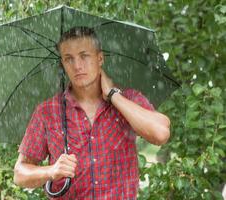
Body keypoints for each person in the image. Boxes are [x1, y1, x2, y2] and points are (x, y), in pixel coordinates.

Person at [14, 26, 171, 199]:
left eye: (84, 56)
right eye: (68, 59)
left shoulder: (128, 99)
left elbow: (161, 133)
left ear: (100, 58)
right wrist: (51, 171)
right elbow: (20, 174)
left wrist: (113, 96)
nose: (77, 65)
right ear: (63, 64)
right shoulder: (47, 112)